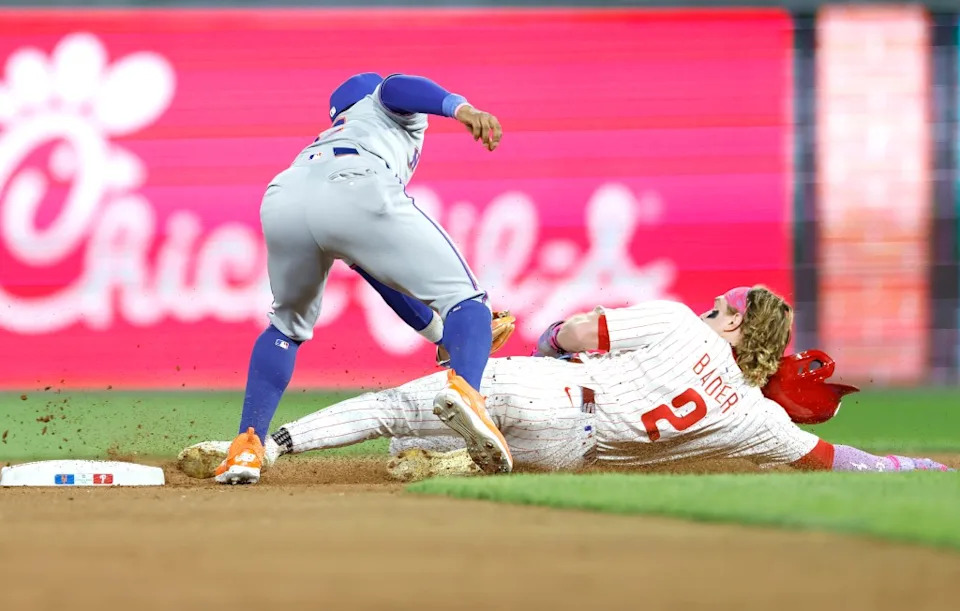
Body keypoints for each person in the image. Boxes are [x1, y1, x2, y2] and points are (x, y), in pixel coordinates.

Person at [182, 286, 952, 480]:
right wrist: (907, 466)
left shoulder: (684, 322)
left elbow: (578, 334)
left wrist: (550, 336)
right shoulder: (759, 420)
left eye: (726, 303)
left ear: (728, 323)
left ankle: (263, 446)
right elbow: (831, 459)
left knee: (399, 404)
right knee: (422, 436)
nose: (715, 301)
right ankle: (446, 457)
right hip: (570, 454)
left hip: (555, 390)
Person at [215, 73, 513, 485]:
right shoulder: (381, 106)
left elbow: (380, 276)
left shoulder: (324, 136)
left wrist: (441, 336)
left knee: (285, 325)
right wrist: (460, 108)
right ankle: (466, 393)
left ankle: (247, 447)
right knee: (467, 300)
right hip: (355, 180)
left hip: (285, 195)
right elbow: (397, 86)